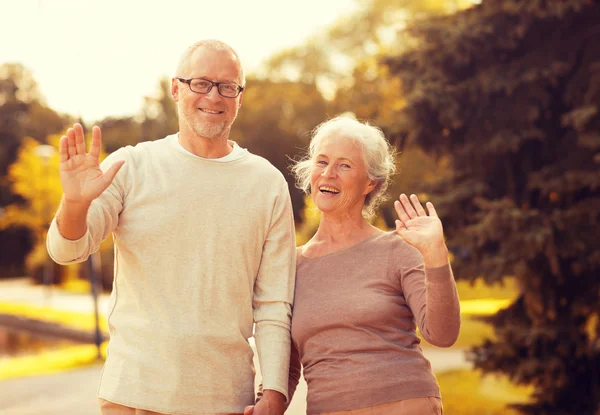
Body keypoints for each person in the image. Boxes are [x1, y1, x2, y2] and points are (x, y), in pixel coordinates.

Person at [46, 40, 295, 415]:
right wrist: (76, 202)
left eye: (228, 86)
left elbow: (274, 302)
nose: (214, 96)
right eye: (201, 83)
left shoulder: (267, 183)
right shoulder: (131, 166)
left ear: (239, 97)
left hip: (226, 398)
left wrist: (275, 391)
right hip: (133, 394)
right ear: (175, 88)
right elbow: (66, 250)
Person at [248, 116, 460, 415]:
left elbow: (443, 334)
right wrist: (266, 403)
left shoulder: (397, 249)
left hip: (403, 405)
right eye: (321, 162)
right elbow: (287, 365)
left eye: (344, 165)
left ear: (370, 182)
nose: (328, 174)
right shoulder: (290, 265)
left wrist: (436, 256)